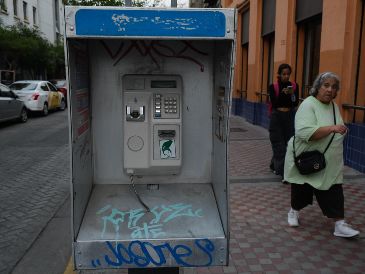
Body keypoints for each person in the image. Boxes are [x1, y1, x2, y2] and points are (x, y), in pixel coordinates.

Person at [284, 72, 360, 238]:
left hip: (329, 162)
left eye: (333, 87)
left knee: (333, 190)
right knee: (301, 188)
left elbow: (338, 125)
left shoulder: (333, 106)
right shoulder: (308, 104)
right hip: (307, 157)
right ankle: (294, 211)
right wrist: (332, 128)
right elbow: (304, 133)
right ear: (317, 87)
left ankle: (340, 225)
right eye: (326, 85)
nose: (329, 90)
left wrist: (341, 129)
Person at [268, 64, 299, 178]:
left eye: (288, 74)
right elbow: (274, 103)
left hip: (290, 116)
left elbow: (295, 103)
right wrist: (282, 93)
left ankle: (274, 164)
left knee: (289, 143)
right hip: (277, 116)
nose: (286, 76)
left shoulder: (294, 86)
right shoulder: (273, 86)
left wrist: (292, 95)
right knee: (278, 143)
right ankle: (283, 172)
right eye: (284, 74)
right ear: (279, 74)